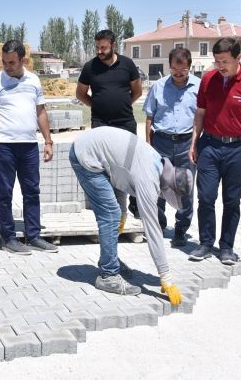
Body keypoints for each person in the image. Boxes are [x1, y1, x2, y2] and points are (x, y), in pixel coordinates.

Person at [70, 126, 191, 305]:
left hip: (96, 151)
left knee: (116, 213)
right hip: (86, 156)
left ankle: (109, 260)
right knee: (110, 214)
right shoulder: (148, 179)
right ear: (168, 187)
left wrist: (124, 212)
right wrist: (165, 276)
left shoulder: (157, 162)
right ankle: (108, 275)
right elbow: (153, 230)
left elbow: (120, 173)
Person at [188, 37, 241, 265]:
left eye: (224, 61)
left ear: (238, 58)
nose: (220, 66)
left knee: (232, 200)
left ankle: (226, 248)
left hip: (239, 148)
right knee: (206, 196)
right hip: (210, 146)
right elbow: (200, 114)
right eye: (216, 61)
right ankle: (205, 244)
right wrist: (194, 143)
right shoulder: (207, 80)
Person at [0, 40, 59, 255]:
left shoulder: (33, 81)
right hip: (3, 145)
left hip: (29, 146)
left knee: (32, 191)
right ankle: (9, 238)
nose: (7, 66)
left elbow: (41, 112)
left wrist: (48, 141)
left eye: (12, 62)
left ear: (23, 60)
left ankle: (33, 236)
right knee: (4, 192)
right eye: (4, 62)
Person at [76, 29, 144, 231]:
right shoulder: (90, 67)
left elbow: (137, 91)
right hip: (100, 125)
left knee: (125, 170)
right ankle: (108, 218)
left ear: (113, 45)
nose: (99, 51)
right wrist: (97, 106)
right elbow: (80, 93)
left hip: (125, 124)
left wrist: (121, 105)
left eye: (103, 47)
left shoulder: (127, 64)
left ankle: (126, 213)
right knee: (104, 171)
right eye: (97, 47)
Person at [143, 47, 200, 247]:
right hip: (162, 143)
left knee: (185, 187)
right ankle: (158, 226)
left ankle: (180, 231)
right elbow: (149, 118)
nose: (177, 73)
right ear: (169, 66)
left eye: (182, 70)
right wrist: (149, 146)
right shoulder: (158, 87)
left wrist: (195, 144)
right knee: (158, 186)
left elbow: (201, 118)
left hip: (186, 144)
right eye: (174, 69)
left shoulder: (198, 87)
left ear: (189, 67)